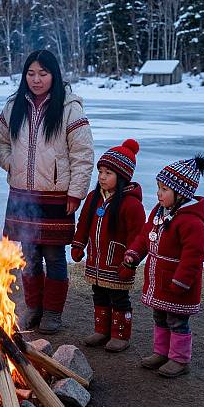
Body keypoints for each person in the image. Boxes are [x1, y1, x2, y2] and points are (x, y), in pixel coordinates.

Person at [0, 49, 94, 334]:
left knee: (53, 255)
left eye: (43, 74)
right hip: (22, 195)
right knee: (29, 255)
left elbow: (83, 155)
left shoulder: (69, 108)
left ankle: (52, 313)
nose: (36, 80)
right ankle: (34, 307)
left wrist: (75, 193)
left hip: (56, 195)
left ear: (54, 75)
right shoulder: (14, 106)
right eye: (31, 73)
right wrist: (11, 163)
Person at [119, 155, 204, 377]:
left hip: (177, 283)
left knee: (177, 321)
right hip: (159, 279)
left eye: (164, 190)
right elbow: (145, 236)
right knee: (160, 316)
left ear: (180, 194)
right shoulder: (160, 213)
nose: (158, 194)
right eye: (158, 188)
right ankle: (161, 352)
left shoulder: (191, 222)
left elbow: (194, 255)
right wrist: (134, 254)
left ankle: (179, 359)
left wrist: (181, 281)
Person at [71, 139, 145, 352]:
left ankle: (121, 335)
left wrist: (130, 262)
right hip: (96, 262)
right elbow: (84, 222)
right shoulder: (94, 197)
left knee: (119, 299)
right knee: (99, 295)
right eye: (101, 172)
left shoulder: (131, 204)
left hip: (117, 263)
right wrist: (78, 244)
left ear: (121, 176)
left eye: (108, 173)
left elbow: (138, 236)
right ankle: (101, 331)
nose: (102, 177)